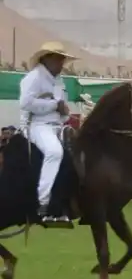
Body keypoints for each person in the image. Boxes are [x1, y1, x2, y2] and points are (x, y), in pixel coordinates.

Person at [19, 41, 76, 225]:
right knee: (54, 152)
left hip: (55, 127)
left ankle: (60, 207)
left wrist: (64, 113)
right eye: (60, 59)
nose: (62, 64)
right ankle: (41, 201)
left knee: (70, 161)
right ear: (48, 58)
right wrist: (54, 105)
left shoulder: (59, 81)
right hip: (36, 125)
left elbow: (61, 108)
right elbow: (25, 103)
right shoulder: (33, 77)